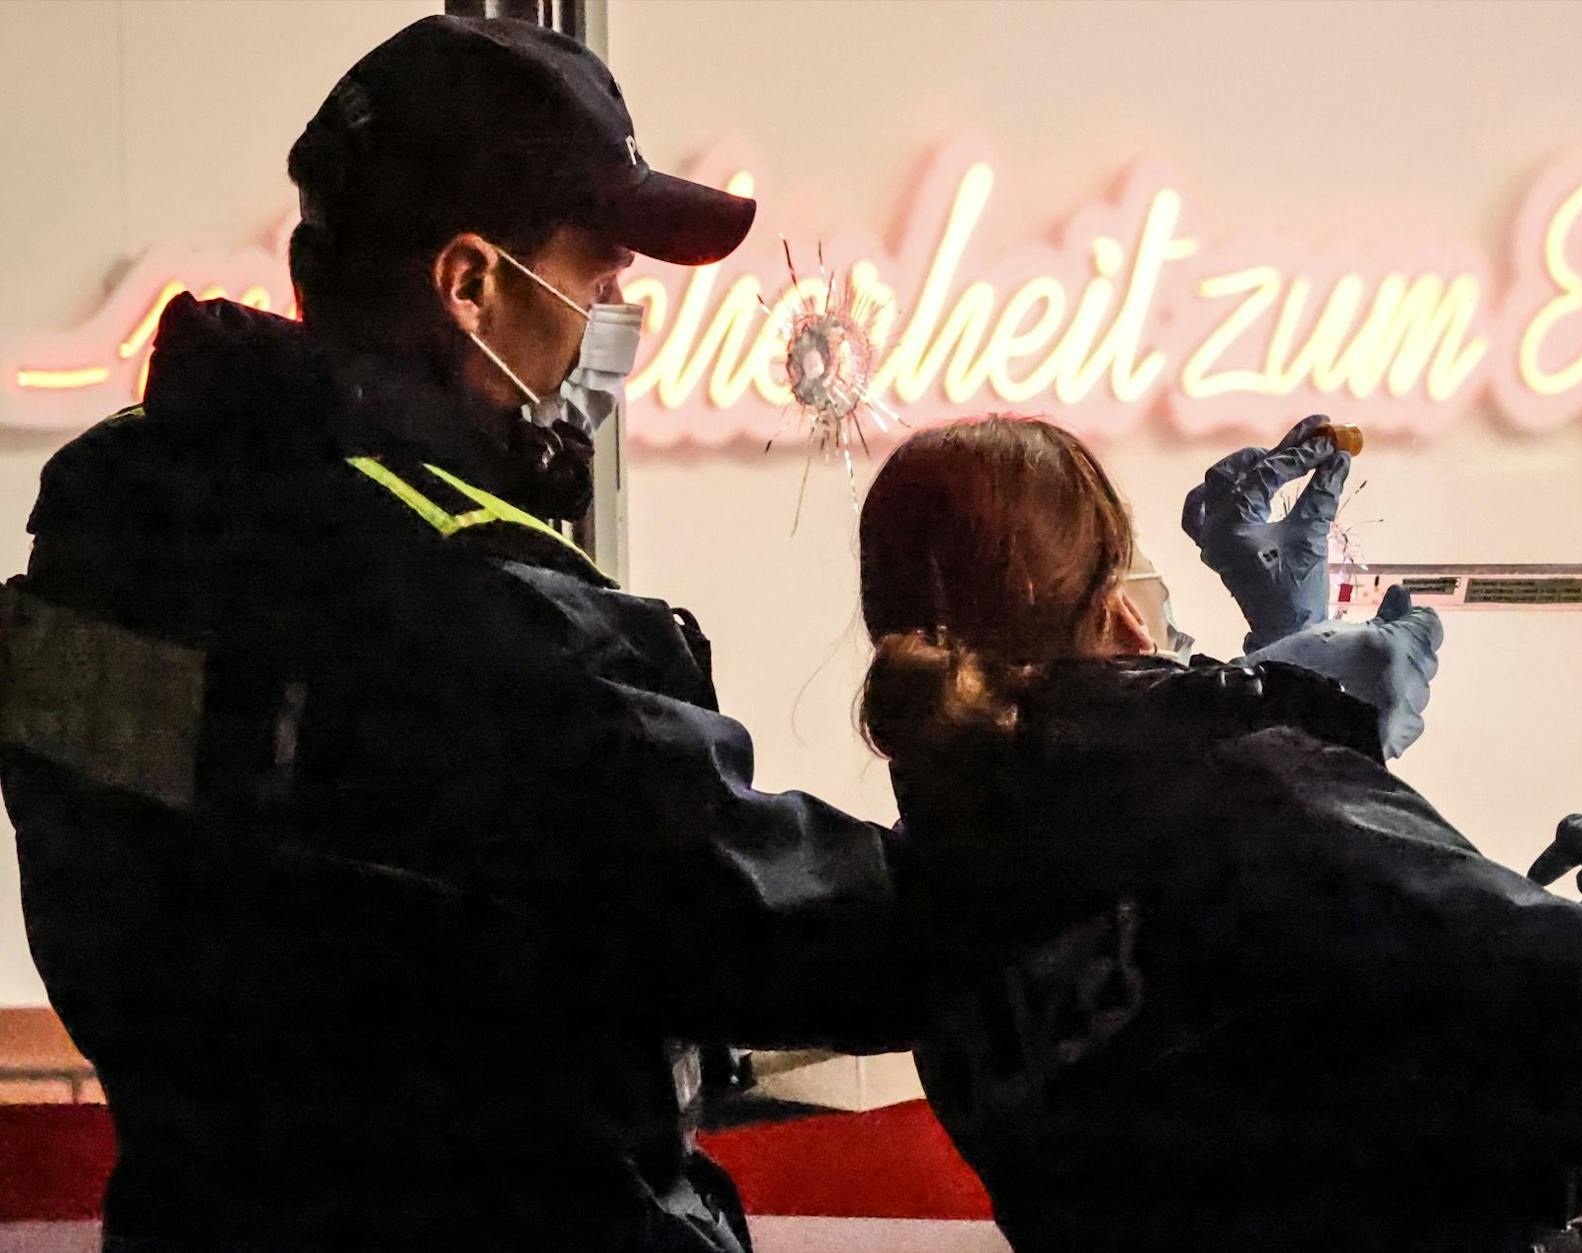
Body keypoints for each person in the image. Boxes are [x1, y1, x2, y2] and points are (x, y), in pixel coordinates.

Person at [0, 18, 1450, 1250]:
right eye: (602, 282)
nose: (616, 327)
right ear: (471, 283)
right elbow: (825, 927)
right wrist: (1237, 731)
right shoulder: (479, 621)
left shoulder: (117, 523)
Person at [857, 414, 1582, 1253]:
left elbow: (1299, 1018)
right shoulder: (1244, 803)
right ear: (1117, 610)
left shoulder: (939, 895)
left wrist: (1281, 693)